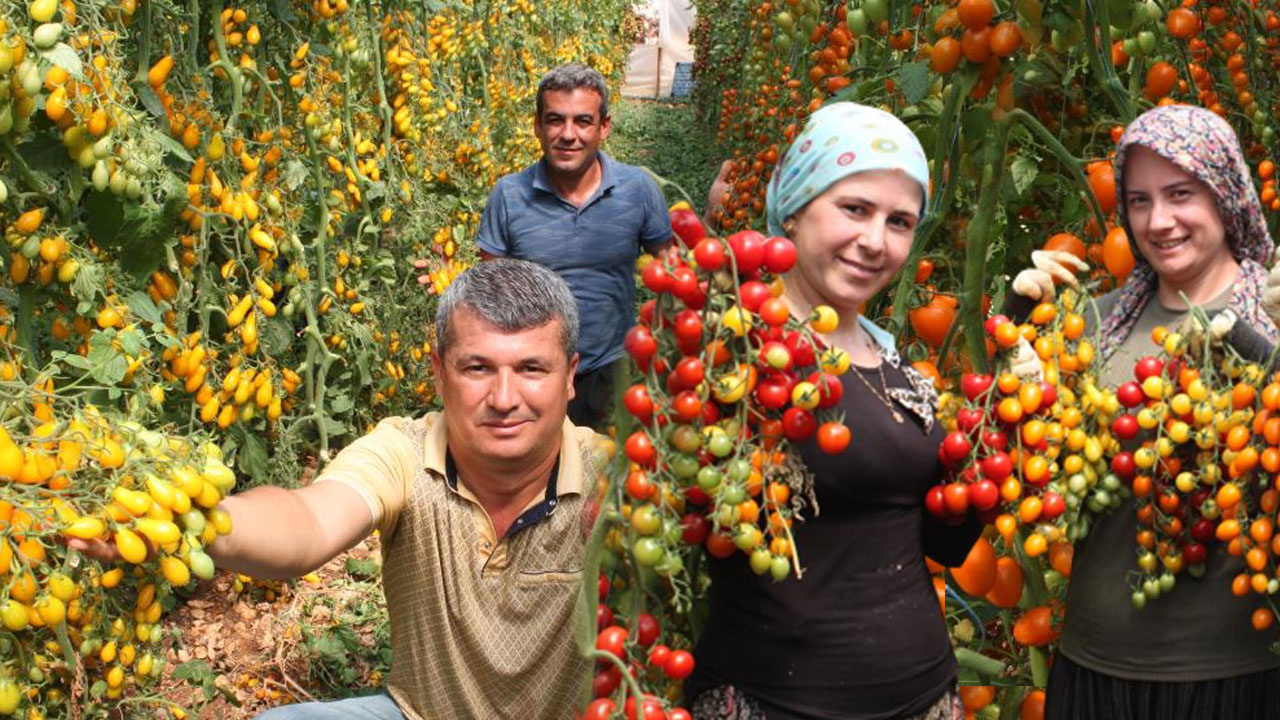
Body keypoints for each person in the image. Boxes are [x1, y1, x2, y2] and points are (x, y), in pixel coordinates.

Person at [73, 259, 610, 719]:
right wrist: (189, 521)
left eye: (531, 368)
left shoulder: (611, 477)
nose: (504, 396)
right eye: (477, 367)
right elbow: (307, 522)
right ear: (440, 373)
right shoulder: (403, 452)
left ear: (569, 377)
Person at [683, 102, 980, 720]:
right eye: (855, 209)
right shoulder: (735, 352)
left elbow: (945, 545)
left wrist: (995, 439)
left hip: (924, 695)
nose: (876, 240)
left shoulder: (893, 360)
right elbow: (681, 510)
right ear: (793, 207)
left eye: (900, 222)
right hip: (772, 700)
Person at [1008, 104, 1280, 719]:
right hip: (1093, 672)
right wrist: (1015, 330)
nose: (1159, 221)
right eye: (1138, 201)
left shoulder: (1271, 314)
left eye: (1180, 193)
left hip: (1237, 679)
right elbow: (1034, 481)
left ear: (1226, 195)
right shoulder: (1095, 324)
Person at [476, 62, 674, 430]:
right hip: (531, 373)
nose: (568, 134)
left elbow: (675, 274)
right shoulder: (509, 196)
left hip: (612, 367)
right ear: (537, 125)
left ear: (605, 127)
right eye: (555, 120)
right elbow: (489, 297)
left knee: (605, 474)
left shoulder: (638, 190)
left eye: (583, 121)